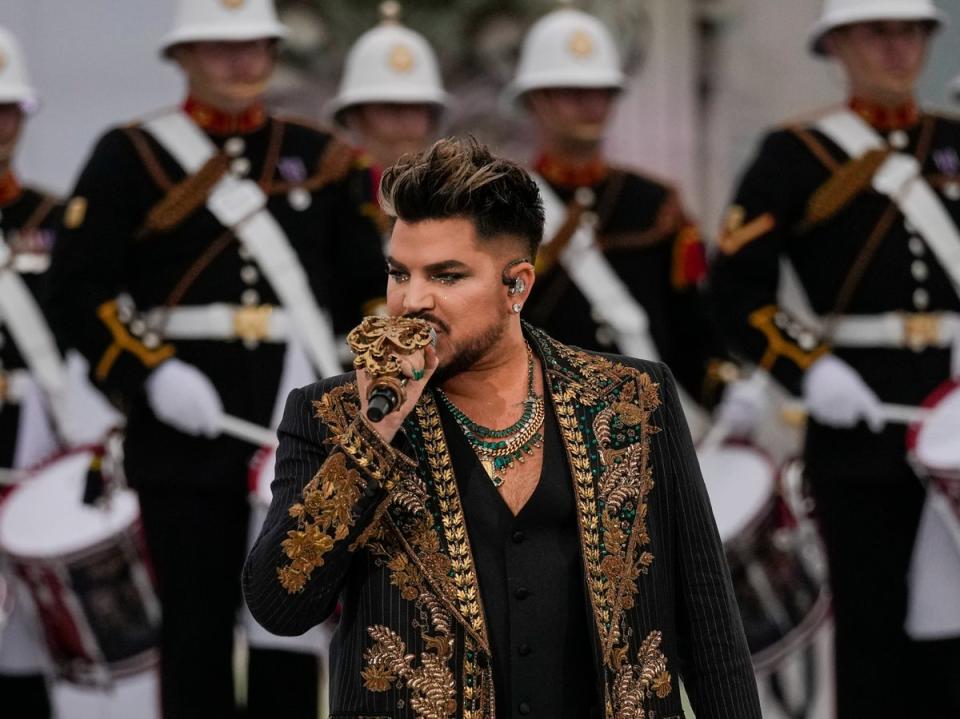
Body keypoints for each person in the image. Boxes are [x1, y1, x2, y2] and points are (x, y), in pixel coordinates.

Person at [243, 136, 762, 719]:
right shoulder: (329, 416)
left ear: (516, 285)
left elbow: (710, 631)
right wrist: (371, 438)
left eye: (446, 275)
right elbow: (279, 607)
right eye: (399, 273)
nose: (412, 301)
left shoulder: (632, 400)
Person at [46, 1, 386, 716]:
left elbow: (370, 293)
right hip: (183, 432)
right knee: (195, 625)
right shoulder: (130, 155)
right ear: (185, 57)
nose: (242, 63)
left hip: (301, 429)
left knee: (291, 625)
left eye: (256, 47)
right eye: (221, 48)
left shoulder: (323, 158)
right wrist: (149, 371)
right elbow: (78, 285)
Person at [709, 0, 960, 715]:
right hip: (860, 428)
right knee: (875, 635)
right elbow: (737, 287)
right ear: (839, 45)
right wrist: (809, 364)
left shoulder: (953, 140)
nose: (898, 48)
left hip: (955, 416)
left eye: (911, 31)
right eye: (878, 32)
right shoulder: (795, 154)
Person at [502, 5, 761, 438]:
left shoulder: (655, 204)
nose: (590, 103)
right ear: (534, 100)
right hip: (539, 431)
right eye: (570, 90)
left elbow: (689, 327)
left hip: (643, 429)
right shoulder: (500, 206)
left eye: (602, 90)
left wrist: (726, 390)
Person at [325, 1, 450, 237]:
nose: (405, 122)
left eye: (417, 108)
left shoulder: (455, 198)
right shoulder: (332, 195)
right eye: (389, 107)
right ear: (354, 117)